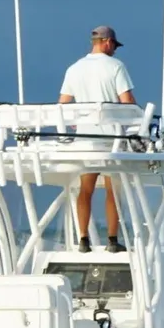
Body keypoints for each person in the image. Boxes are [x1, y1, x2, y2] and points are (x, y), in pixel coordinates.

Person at [58, 25, 137, 253]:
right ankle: (112, 240)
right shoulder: (116, 67)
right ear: (108, 42)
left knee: (86, 189)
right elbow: (128, 100)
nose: (115, 50)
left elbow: (63, 103)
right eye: (114, 46)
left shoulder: (74, 68)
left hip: (85, 138)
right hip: (111, 138)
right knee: (113, 190)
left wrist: (74, 123)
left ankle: (84, 240)